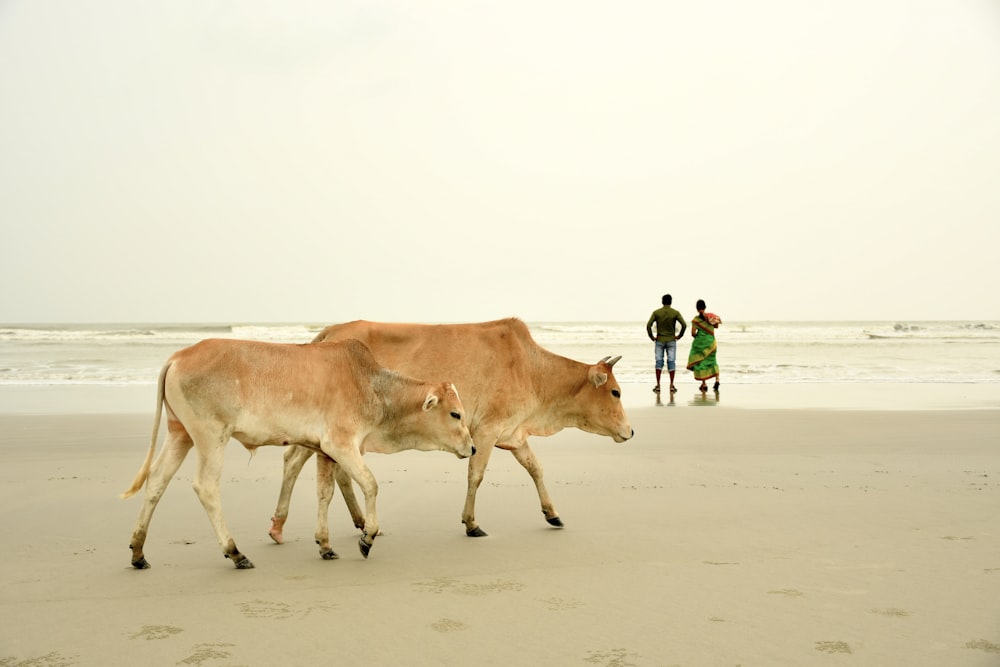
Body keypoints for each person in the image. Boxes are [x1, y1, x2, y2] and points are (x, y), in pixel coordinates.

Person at [646, 294, 687, 394]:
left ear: (662, 301)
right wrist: (679, 336)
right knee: (671, 361)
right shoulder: (675, 313)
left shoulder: (656, 313)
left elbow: (648, 325)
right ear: (671, 302)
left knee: (659, 362)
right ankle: (672, 385)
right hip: (671, 340)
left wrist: (652, 337)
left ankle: (658, 385)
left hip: (659, 340)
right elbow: (684, 324)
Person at [686, 299, 722, 392]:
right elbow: (716, 326)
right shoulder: (711, 317)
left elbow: (693, 333)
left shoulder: (696, 320)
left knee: (701, 363)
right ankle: (717, 380)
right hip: (712, 344)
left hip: (701, 345)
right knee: (713, 361)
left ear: (697, 309)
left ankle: (704, 384)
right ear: (705, 307)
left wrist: (699, 337)